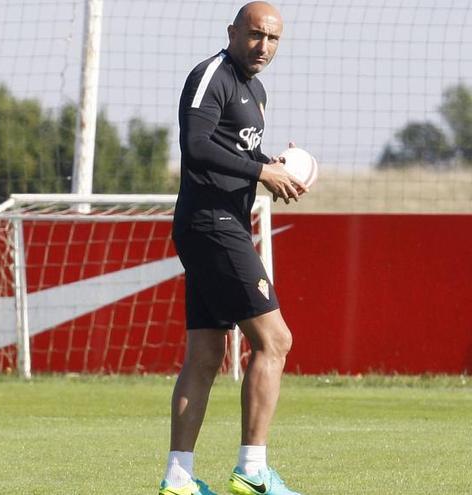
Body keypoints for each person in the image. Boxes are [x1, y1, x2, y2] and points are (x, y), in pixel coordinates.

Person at [160, 2, 307, 495]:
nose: (263, 46)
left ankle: (178, 478)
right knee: (276, 340)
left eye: (273, 39)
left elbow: (237, 155)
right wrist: (261, 171)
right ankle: (252, 470)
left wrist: (273, 165)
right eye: (255, 35)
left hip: (222, 225)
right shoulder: (211, 75)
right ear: (233, 32)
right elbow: (196, 145)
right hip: (211, 224)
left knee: (205, 351)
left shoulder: (256, 90)